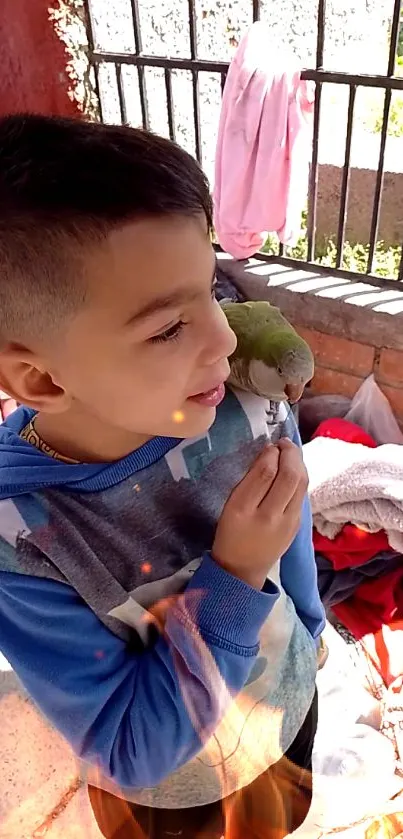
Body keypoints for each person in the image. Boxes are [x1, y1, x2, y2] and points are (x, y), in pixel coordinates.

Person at [0, 114, 325, 839]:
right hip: (176, 800)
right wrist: (234, 576)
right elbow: (126, 743)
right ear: (39, 378)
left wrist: (308, 629)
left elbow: (289, 518)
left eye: (212, 289)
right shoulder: (22, 539)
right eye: (167, 328)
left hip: (285, 720)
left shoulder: (244, 404)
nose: (224, 337)